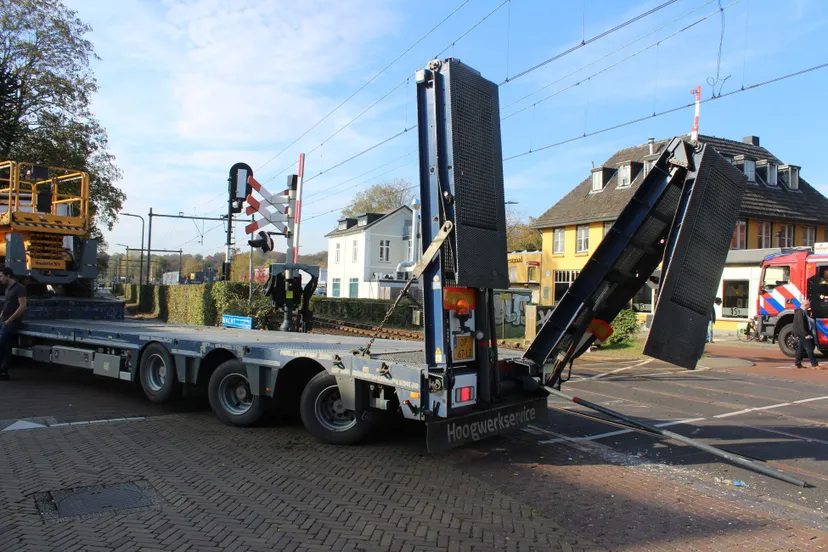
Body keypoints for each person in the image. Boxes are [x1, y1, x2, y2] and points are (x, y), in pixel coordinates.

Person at [0, 267, 27, 380]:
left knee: (3, 344)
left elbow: (22, 306)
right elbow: (7, 304)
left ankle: (4, 372)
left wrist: (10, 319)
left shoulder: (19, 288)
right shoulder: (7, 288)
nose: (0, 279)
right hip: (4, 320)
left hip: (12, 321)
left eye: (1, 276)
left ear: (8, 276)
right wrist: (1, 315)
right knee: (3, 345)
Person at [793, 298, 821, 369]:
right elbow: (801, 324)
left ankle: (798, 363)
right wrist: (806, 334)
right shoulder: (800, 312)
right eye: (809, 304)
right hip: (803, 333)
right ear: (805, 305)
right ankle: (814, 364)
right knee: (809, 348)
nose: (810, 306)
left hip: (803, 333)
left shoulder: (803, 312)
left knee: (800, 348)